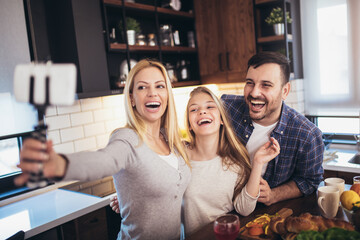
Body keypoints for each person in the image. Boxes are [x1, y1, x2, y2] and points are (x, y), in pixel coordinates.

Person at [15, 59, 191, 240]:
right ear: (131, 98)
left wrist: (130, 197)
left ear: (168, 94)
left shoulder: (172, 141)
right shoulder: (127, 139)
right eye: (142, 87)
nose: (152, 93)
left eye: (160, 86)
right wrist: (61, 165)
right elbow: (103, 160)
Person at [110, 86, 280, 236]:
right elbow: (152, 180)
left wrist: (257, 163)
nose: (202, 112)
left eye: (209, 107)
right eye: (194, 109)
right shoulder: (177, 155)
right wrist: (130, 196)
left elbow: (244, 208)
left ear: (221, 119)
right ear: (190, 124)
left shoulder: (235, 162)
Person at [221, 51, 324, 206]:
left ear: (285, 91)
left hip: (263, 215)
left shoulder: (307, 134)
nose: (254, 92)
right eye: (250, 82)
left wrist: (275, 194)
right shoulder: (226, 108)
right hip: (220, 208)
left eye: (266, 85)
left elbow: (310, 181)